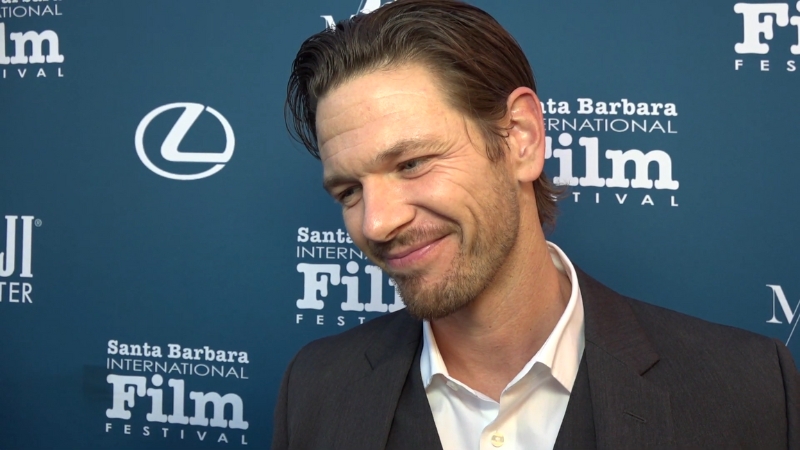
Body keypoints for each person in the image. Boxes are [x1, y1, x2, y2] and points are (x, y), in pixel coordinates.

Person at [273, 1, 800, 448]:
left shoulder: (750, 390)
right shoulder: (315, 392)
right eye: (348, 191)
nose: (378, 221)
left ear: (521, 139)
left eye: (412, 163)